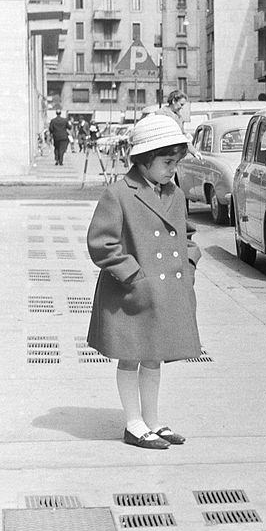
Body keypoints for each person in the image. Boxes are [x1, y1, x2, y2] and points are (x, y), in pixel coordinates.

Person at [85, 115, 201, 449]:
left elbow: (188, 234)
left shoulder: (175, 194)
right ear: (144, 159)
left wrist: (189, 262)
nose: (172, 169)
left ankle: (152, 420)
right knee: (131, 356)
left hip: (164, 293)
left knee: (154, 356)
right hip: (131, 295)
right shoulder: (119, 193)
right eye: (167, 162)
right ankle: (133, 423)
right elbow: (101, 243)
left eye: (176, 162)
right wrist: (134, 276)